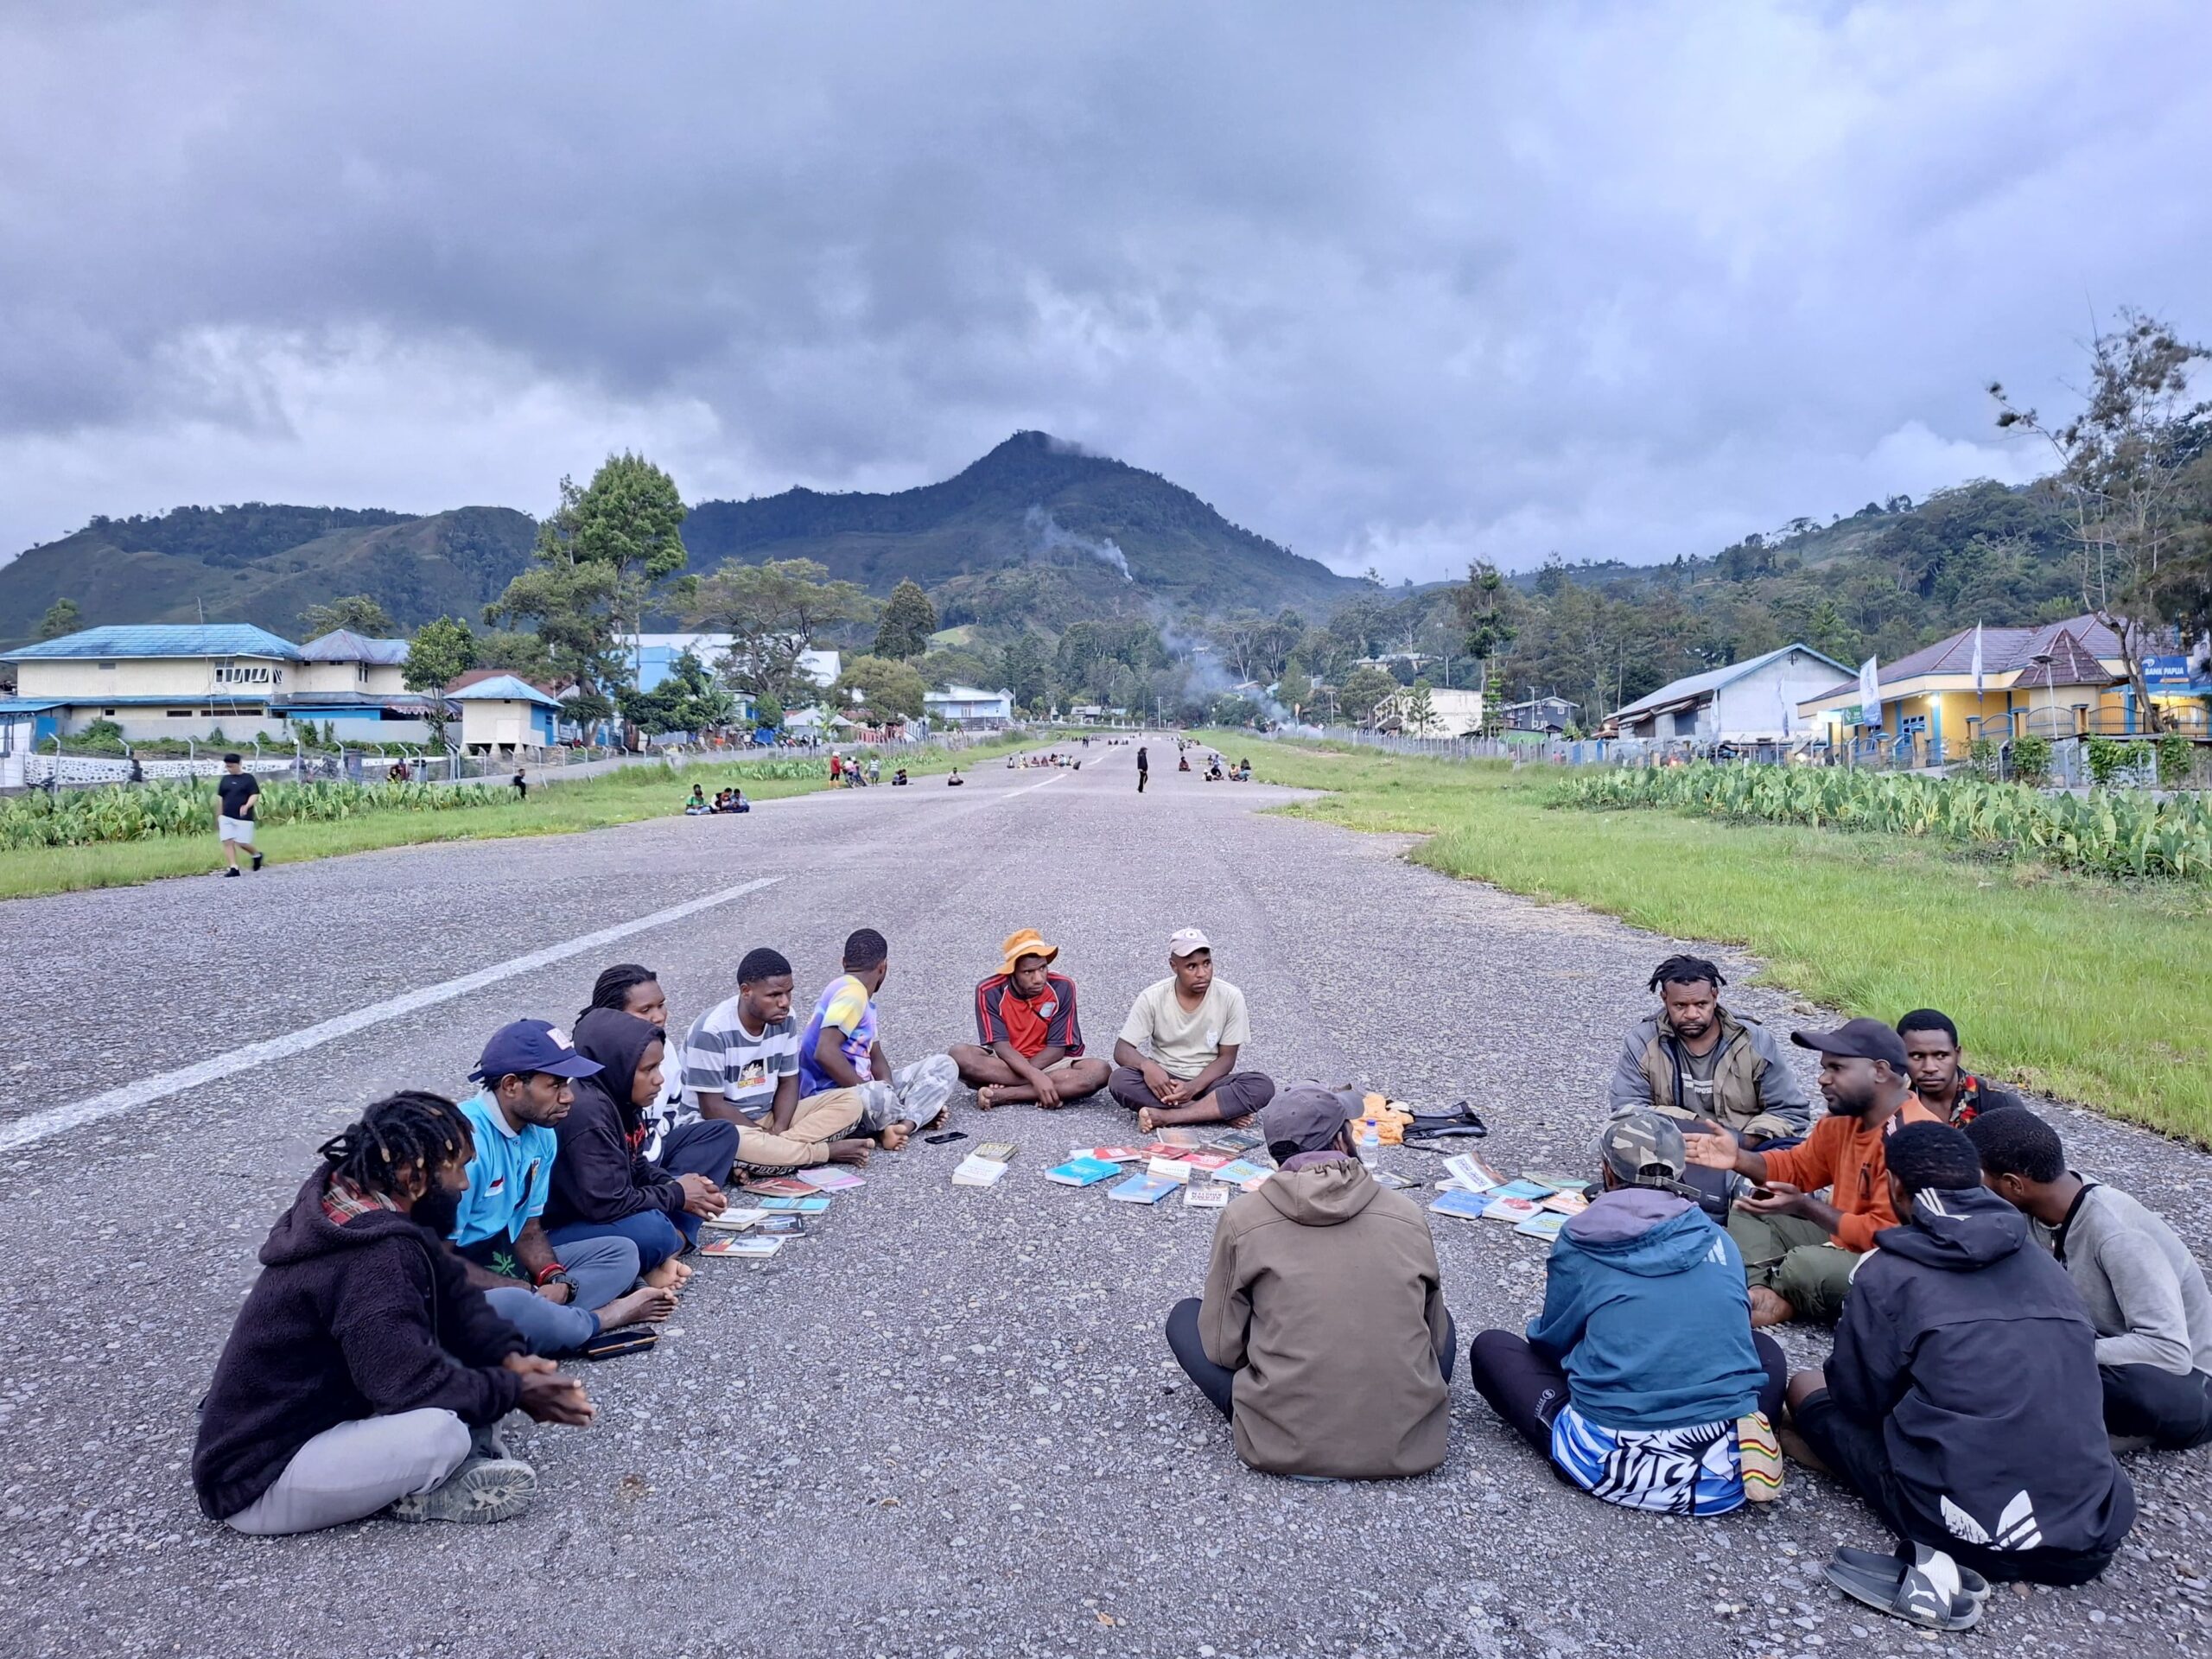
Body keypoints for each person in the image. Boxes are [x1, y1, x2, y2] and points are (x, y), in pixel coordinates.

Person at [192, 1091, 594, 1535]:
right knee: (443, 1434)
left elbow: (456, 1299)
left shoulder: (366, 1205)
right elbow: (406, 1385)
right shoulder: (371, 1256)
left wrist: (512, 1360)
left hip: (327, 1416)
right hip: (260, 1480)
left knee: (474, 1369)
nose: (464, 1183)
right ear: (411, 1176)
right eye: (457, 1168)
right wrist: (515, 1391)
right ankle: (424, 1490)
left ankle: (423, 1467)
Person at [1786, 1122, 2136, 1621]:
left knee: (1805, 1387)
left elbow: (1858, 1400)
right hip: (2088, 1542)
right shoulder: (2044, 1264)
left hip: (1962, 1534)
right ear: (1979, 1180)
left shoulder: (1885, 1271)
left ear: (1897, 1189)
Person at [1467, 1113, 1786, 1516]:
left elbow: (1551, 1340)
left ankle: (1567, 1435)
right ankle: (1755, 1439)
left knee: (1492, 1348)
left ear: (1606, 1171)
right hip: (1719, 1474)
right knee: (1765, 1350)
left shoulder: (1580, 1237)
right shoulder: (1718, 1237)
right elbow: (1727, 1330)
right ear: (1682, 1171)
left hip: (1615, 1466)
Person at [1164, 1083, 1453, 1479]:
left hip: (1282, 1444)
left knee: (1186, 1317)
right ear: (1341, 1139)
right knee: (1440, 1317)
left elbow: (1222, 1350)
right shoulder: (1405, 1212)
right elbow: (1435, 1344)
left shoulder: (1243, 1217)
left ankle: (1285, 1415)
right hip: (1409, 1446)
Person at [1967, 1109, 2212, 1450]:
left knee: (2036, 1371)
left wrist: (2055, 1349)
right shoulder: (2037, 1213)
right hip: (2099, 1344)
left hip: (2182, 1381)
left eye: (1980, 1179)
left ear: (2013, 1184)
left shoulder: (2117, 1234)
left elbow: (2170, 1351)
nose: (1973, 1189)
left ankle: (2080, 1438)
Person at [1685, 1018, 1940, 1326]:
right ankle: (1760, 1292)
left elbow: (1886, 1236)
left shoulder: (1913, 1137)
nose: (1822, 1079)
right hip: (1843, 1239)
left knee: (1804, 1266)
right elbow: (1796, 1168)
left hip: (1896, 1262)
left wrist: (1806, 1206)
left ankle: (1784, 1297)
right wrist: (1738, 1158)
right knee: (1752, 1207)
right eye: (1823, 1068)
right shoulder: (1842, 1121)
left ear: (1880, 1071)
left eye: (1836, 1068)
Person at [449, 1020, 675, 1354]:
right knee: (509, 1306)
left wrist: (555, 1279)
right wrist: (523, 1291)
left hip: (507, 1260)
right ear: (511, 1085)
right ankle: (603, 1318)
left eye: (567, 1083)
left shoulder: (542, 1133)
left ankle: (544, 1324)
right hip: (459, 1278)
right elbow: (437, 1260)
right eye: (555, 1085)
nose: (568, 1097)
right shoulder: (467, 1144)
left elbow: (528, 1230)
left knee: (622, 1253)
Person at [542, 1007, 736, 1279]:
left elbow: (637, 1166)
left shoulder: (620, 1097)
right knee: (653, 1231)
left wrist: (674, 1184)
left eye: (658, 1066)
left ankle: (669, 1246)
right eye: (648, 1070)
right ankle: (668, 1247)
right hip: (563, 1228)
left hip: (606, 1208)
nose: (660, 1079)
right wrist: (678, 1195)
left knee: (709, 1160)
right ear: (617, 1066)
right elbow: (607, 1203)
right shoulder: (588, 1116)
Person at [685, 946, 874, 1171]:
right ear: (746, 991)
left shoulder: (786, 1018)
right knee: (739, 1141)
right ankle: (821, 1152)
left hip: (769, 1120)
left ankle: (769, 1158)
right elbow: (712, 1108)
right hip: (722, 1127)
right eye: (774, 995)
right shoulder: (712, 1030)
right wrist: (763, 1137)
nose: (784, 1003)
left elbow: (789, 1081)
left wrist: (779, 1130)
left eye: (788, 993)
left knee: (851, 1102)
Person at [1606, 956, 1810, 1146]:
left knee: (1791, 1153)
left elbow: (1789, 1110)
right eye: (1680, 1005)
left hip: (1743, 1148)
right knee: (1617, 1141)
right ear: (1664, 998)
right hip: (1671, 1146)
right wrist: (1696, 1125)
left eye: (1701, 1004)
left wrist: (1739, 1142)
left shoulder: (1753, 1040)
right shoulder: (1643, 1040)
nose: (1692, 1014)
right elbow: (1627, 1109)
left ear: (1715, 996)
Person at [798, 928, 959, 1150]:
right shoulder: (851, 993)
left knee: (944, 1065)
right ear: (883, 967)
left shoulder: (860, 997)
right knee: (879, 1095)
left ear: (843, 962)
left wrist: (888, 1094)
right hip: (831, 1098)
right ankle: (902, 1121)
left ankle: (902, 1125)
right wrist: (879, 1097)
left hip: (863, 1090)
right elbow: (825, 1052)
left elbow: (876, 1057)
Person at [1109, 928, 1276, 1131]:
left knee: (1261, 1085)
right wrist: (1147, 1066)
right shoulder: (1152, 997)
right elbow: (1122, 1049)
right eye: (1191, 966)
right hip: (1166, 1082)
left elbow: (1227, 1059)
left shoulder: (1230, 996)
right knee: (1120, 1080)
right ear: (1174, 967)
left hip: (1209, 1082)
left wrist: (1192, 1087)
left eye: (1207, 963)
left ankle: (1167, 1117)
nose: (1202, 973)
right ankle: (1215, 1112)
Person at [951, 929, 1111, 1110]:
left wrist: (1037, 1075)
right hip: (1007, 1061)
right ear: (1012, 972)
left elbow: (1057, 1048)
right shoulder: (989, 990)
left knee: (1100, 1071)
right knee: (959, 1056)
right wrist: (1035, 1077)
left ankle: (1006, 1095)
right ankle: (1047, 1091)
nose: (1038, 978)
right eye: (1028, 972)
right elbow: (1001, 1046)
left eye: (1042, 968)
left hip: (1051, 1063)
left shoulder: (1063, 986)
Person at [1896, 1009, 2023, 1127]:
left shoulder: (1999, 1104)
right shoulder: (1893, 1106)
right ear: (1901, 1057)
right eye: (1917, 1056)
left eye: (1941, 1056)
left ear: (1957, 1055)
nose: (1930, 1068)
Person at [216, 752, 263, 876]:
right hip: (226, 816)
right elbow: (220, 798)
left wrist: (247, 806)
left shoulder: (248, 779)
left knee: (242, 843)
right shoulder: (225, 780)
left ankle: (256, 855)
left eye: (231, 766)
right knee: (227, 841)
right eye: (227, 766)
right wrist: (219, 815)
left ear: (239, 764)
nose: (229, 769)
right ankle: (234, 868)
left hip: (243, 817)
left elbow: (255, 794)